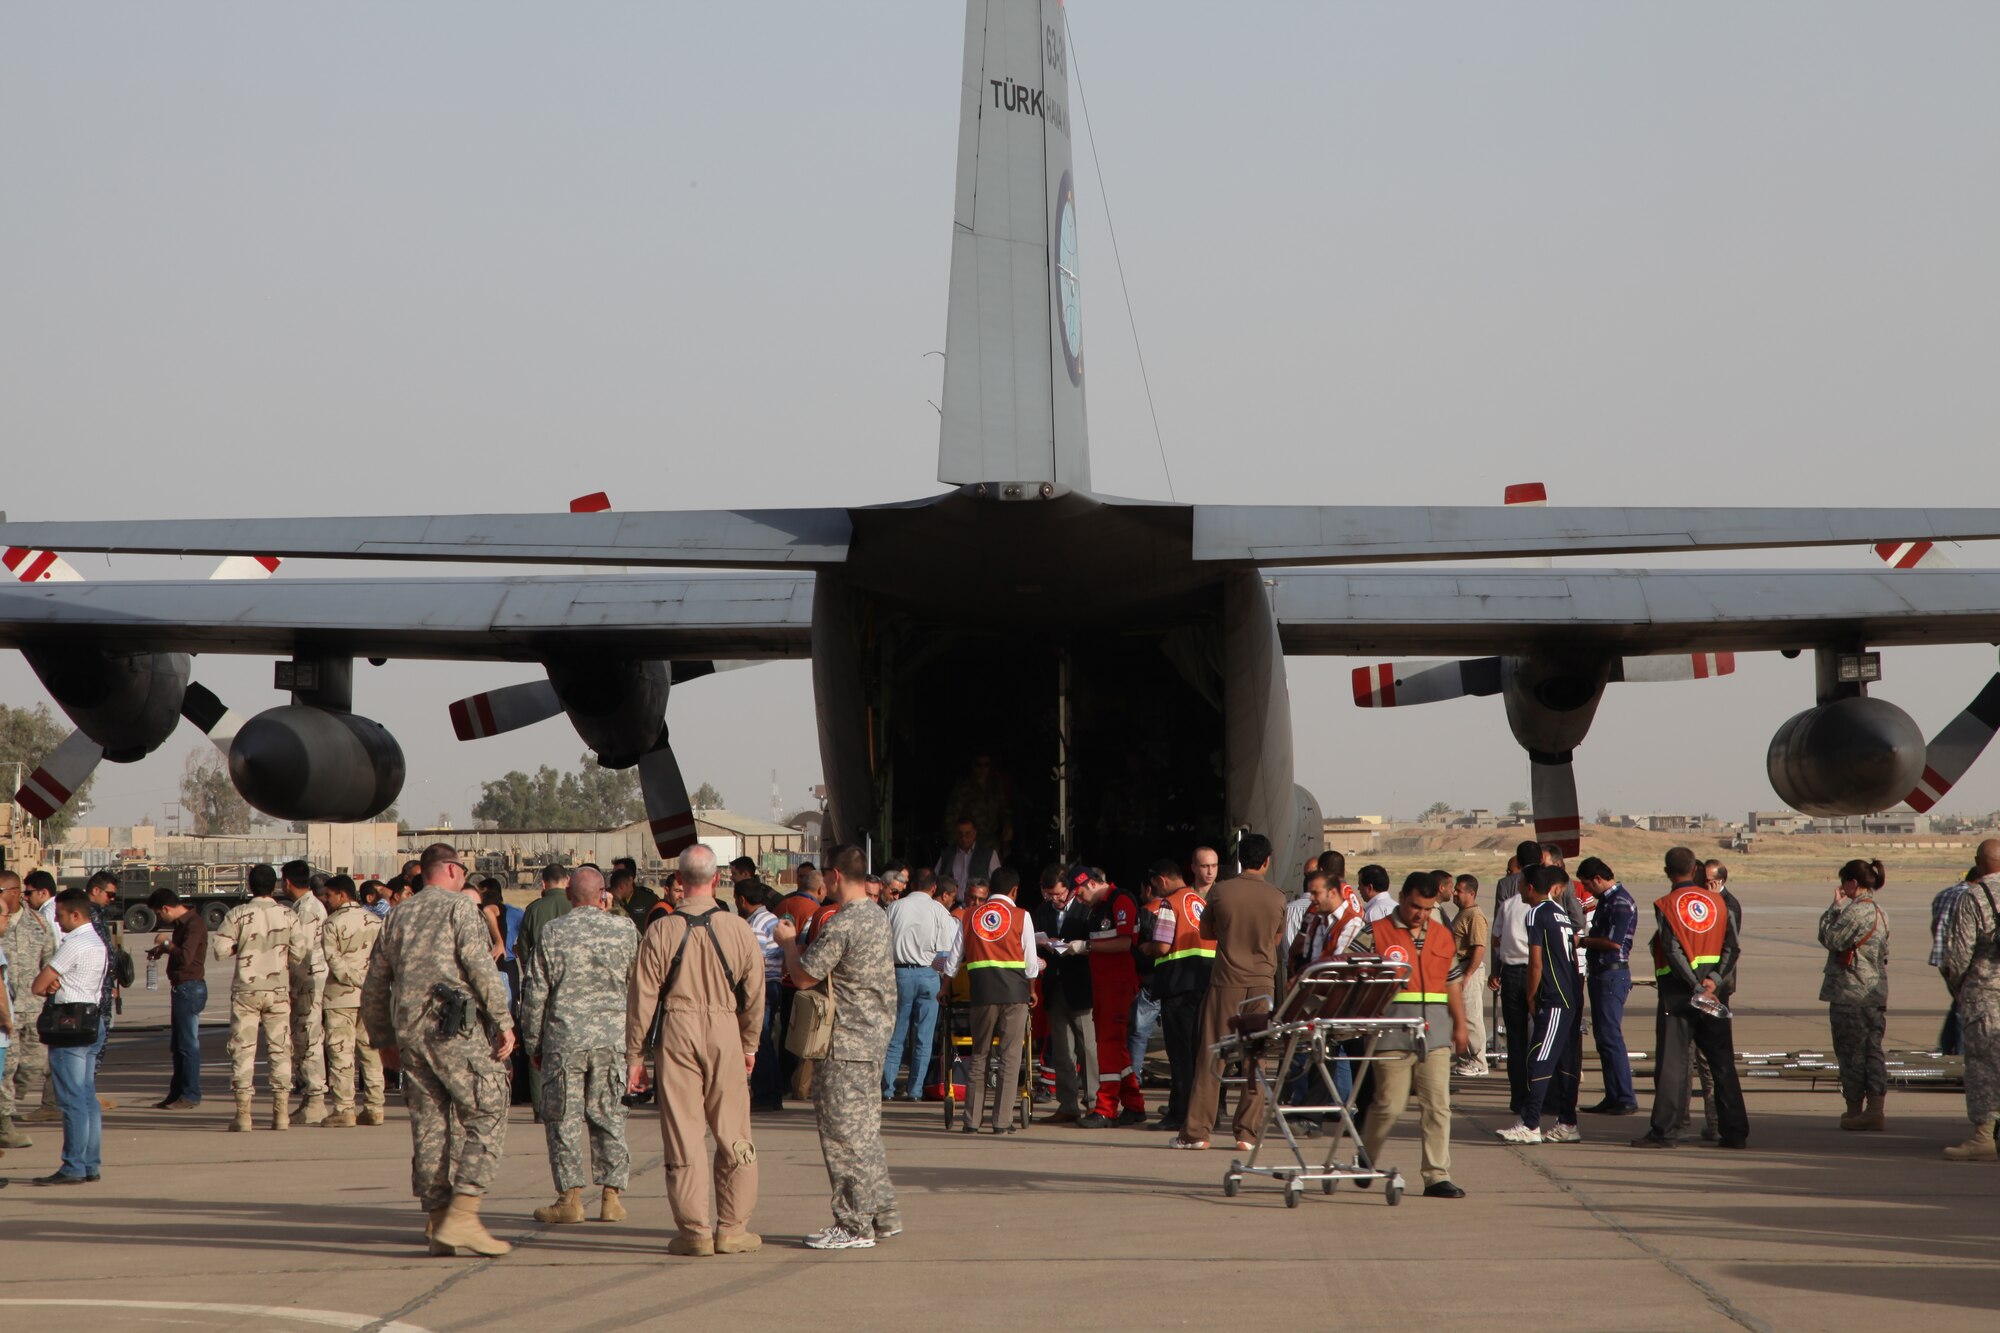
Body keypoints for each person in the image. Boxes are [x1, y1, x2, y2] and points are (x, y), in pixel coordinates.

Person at [360, 843, 517, 1258]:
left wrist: (383, 1041)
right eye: (462, 870)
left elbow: (375, 984)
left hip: (412, 1037)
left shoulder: (397, 916)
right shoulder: (460, 909)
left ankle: (436, 1218)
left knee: (430, 1128)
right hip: (456, 1035)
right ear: (450, 869)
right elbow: (482, 969)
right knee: (488, 1109)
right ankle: (463, 1214)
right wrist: (503, 1022)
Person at [625, 845, 764, 1253]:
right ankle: (733, 1229)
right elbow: (755, 996)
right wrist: (750, 1044)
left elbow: (642, 998)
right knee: (734, 1130)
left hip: (677, 1029)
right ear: (717, 880)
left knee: (684, 1132)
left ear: (679, 881)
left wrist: (635, 1055)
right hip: (725, 1029)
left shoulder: (661, 930)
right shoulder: (739, 929)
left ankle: (695, 1232)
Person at [775, 843, 899, 1250]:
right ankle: (881, 1213)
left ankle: (852, 1225)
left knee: (842, 1137)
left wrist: (788, 942)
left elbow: (806, 976)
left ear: (833, 876)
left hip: (844, 1041)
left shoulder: (843, 923)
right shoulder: (878, 916)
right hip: (871, 1037)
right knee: (864, 1133)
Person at [522, 864, 639, 1226]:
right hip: (612, 1039)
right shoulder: (625, 931)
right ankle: (611, 1197)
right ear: (604, 894)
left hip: (564, 1039)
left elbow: (535, 991)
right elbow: (642, 988)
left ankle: (570, 1199)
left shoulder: (553, 932)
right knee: (609, 1116)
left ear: (571, 895)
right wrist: (638, 1046)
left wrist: (532, 1043)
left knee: (564, 1120)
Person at [1352, 874, 1470, 1197]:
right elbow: (1352, 974)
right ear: (1402, 897)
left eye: (1428, 909)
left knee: (1437, 1105)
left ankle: (1436, 1175)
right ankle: (1367, 1157)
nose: (1421, 914)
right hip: (1390, 1032)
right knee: (1389, 1104)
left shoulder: (1443, 936)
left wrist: (1460, 1025)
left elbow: (1452, 984)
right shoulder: (1375, 932)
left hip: (1434, 1034)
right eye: (1415, 906)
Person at [1173, 834, 1286, 1153]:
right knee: (1256, 1058)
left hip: (1225, 981)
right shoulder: (1277, 897)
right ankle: (1247, 1134)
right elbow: (1276, 939)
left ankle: (1197, 1132)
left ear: (1238, 861)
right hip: (1262, 982)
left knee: (1211, 1054)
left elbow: (1206, 932)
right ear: (1267, 861)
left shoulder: (1221, 892)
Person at [1633, 846, 1747, 1150]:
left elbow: (1672, 950)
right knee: (1722, 1063)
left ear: (1668, 872)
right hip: (1715, 994)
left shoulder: (1667, 904)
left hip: (1679, 996)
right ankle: (1735, 1131)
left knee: (1673, 1064)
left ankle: (1665, 1130)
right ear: (1695, 870)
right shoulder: (1720, 903)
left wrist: (1696, 986)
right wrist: (1714, 982)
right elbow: (1732, 948)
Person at [213, 863, 308, 1131]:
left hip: (246, 990)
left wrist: (240, 947)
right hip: (277, 989)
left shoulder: (238, 914)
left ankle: (243, 1114)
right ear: (275, 885)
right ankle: (281, 1113)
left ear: (249, 885)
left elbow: (220, 950)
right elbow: (299, 954)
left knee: (243, 1050)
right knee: (280, 1050)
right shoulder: (288, 915)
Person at [944, 866, 1039, 1133]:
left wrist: (944, 989)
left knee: (979, 1054)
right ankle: (1001, 1122)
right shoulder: (1022, 916)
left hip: (981, 994)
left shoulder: (970, 915)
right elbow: (1031, 964)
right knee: (1010, 1057)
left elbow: (953, 962)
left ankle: (971, 1121)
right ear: (1014, 891)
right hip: (1015, 994)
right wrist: (1032, 990)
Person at [29, 889, 109, 1185]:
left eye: (61, 916)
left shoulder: (73, 943)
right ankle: (90, 1162)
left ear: (76, 915)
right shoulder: (97, 940)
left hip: (69, 1024)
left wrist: (50, 985)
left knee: (72, 1098)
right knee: (87, 1097)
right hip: (92, 1019)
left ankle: (73, 1164)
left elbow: (39, 984)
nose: (58, 922)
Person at [1498, 866, 1582, 1145]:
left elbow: (1536, 960)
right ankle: (1567, 1122)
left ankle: (1531, 1123)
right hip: (1570, 994)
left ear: (1531, 887)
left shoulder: (1537, 912)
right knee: (1564, 1061)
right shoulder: (1560, 911)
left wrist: (1531, 996)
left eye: (1521, 884)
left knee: (1539, 1058)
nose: (1519, 889)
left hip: (1554, 996)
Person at [1818, 858, 1891, 1132]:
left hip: (1851, 992)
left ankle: (1854, 1108)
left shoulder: (1854, 911)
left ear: (1852, 883)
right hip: (1874, 991)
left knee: (1850, 1053)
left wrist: (1834, 908)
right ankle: (1875, 1108)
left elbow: (1830, 939)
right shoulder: (1881, 911)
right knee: (1873, 1051)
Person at [1940, 839, 2000, 1166]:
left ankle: (1983, 1135)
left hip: (1985, 996)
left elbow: (1958, 954)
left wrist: (1959, 986)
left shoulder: (1975, 896)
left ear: (1978, 862)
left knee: (1982, 1065)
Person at [1143, 859, 1212, 1133]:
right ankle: (1204, 1112)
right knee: (1200, 1051)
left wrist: (1146, 947)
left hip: (1178, 984)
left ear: (1161, 880)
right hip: (1204, 982)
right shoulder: (1199, 901)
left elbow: (1161, 946)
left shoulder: (1169, 904)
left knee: (1180, 1054)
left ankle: (1179, 1113)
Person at [317, 876, 386, 1128]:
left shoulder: (332, 923)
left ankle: (344, 1108)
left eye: (329, 895)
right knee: (370, 1051)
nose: (326, 900)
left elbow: (333, 961)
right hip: (370, 995)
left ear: (342, 895)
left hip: (340, 996)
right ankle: (375, 1107)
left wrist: (354, 979)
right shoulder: (376, 921)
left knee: (341, 1052)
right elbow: (384, 959)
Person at [882, 863, 955, 1100]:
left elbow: (883, 944)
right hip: (929, 975)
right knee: (924, 1036)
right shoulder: (939, 911)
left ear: (912, 885)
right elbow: (946, 953)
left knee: (896, 1034)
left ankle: (888, 1088)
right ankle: (915, 1090)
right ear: (934, 888)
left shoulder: (895, 908)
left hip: (899, 974)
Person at [1081, 867, 1146, 1125]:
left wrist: (1085, 946)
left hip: (1117, 985)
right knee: (1115, 1047)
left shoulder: (1121, 901)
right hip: (1105, 985)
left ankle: (1106, 1108)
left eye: (1080, 891)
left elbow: (1124, 942)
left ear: (1094, 883)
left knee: (1108, 1045)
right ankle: (1134, 1103)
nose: (1079, 898)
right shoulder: (1098, 908)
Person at [1574, 857, 1638, 1115]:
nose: (1588, 892)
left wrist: (1583, 941)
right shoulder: (1608, 901)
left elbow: (1614, 942)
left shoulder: (1620, 902)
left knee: (1611, 1038)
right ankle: (1614, 1095)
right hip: (1603, 974)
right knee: (1604, 1039)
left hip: (1612, 975)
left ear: (1598, 879)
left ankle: (1624, 1097)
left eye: (1589, 886)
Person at [1040, 866, 1100, 1125]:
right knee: (1063, 1050)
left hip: (1081, 985)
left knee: (1088, 1047)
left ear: (1070, 889)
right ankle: (1067, 1104)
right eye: (1050, 894)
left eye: (1060, 893)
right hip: (1054, 985)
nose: (1056, 898)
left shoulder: (1086, 910)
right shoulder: (1041, 912)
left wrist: (1077, 949)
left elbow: (1098, 943)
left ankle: (1094, 1102)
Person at [0, 871, 55, 1150]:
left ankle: (10, 1101)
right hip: (5, 1011)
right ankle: (5, 1123)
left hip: (34, 1008)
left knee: (32, 1064)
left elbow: (50, 961)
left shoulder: (39, 923)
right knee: (6, 1069)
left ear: (14, 892)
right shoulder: (0, 924)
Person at [146, 888, 209, 1109]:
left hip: (190, 988)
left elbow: (185, 957)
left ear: (166, 908)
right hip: (182, 988)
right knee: (179, 1044)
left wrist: (165, 944)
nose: (160, 918)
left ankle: (190, 1094)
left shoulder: (194, 924)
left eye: (159, 914)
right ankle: (177, 1092)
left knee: (188, 1045)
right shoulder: (183, 924)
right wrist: (162, 950)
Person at [517, 863, 573, 1110]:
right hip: (572, 987)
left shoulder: (533, 909)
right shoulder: (576, 907)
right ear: (567, 881)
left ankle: (540, 1106)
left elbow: (523, 948)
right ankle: (570, 1101)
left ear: (543, 883)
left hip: (540, 985)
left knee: (536, 1041)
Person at [280, 860, 330, 1125]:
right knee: (304, 1040)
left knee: (309, 1040)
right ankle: (310, 1099)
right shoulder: (303, 907)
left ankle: (316, 1100)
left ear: (287, 881)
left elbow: (302, 949)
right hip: (304, 981)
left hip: (309, 982)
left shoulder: (308, 909)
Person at [733, 880, 785, 1110]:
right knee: (766, 1039)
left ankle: (766, 1094)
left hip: (762, 986)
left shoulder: (755, 925)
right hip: (774, 983)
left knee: (759, 1040)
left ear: (742, 900)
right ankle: (772, 1092)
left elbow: (755, 960)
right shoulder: (771, 918)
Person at [1489, 869, 1533, 1117]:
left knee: (1515, 1040)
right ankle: (1539, 1095)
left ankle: (1518, 1099)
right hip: (1536, 973)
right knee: (1537, 1036)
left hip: (1511, 974)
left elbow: (1496, 940)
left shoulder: (1507, 905)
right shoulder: (1546, 908)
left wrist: (1510, 945)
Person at [1449, 875, 1489, 1078]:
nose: (1454, 893)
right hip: (1461, 969)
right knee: (1463, 1016)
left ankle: (1478, 1061)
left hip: (1468, 969)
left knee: (1472, 1017)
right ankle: (1466, 1059)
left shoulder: (1474, 915)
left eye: (1459, 890)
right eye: (1454, 889)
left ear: (1471, 893)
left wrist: (1467, 975)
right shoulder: (1463, 913)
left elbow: (1479, 948)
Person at [935, 817, 1001, 894]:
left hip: (978, 903)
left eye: (967, 833)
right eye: (960, 834)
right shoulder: (947, 854)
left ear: (975, 833)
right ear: (956, 834)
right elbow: (935, 878)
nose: (963, 837)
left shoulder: (989, 855)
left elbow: (998, 883)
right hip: (951, 903)